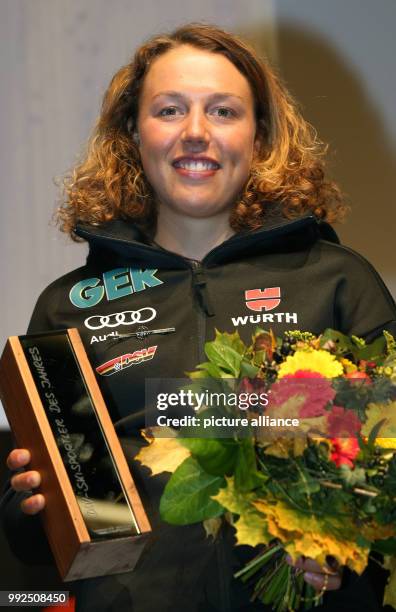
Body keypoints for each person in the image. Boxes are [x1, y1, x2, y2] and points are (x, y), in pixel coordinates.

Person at [1, 22, 395, 612]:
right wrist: (32, 504)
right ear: (133, 132)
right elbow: (47, 537)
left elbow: (386, 453)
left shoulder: (336, 278)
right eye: (169, 110)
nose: (194, 133)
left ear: (259, 135)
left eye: (223, 111)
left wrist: (338, 546)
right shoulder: (72, 302)